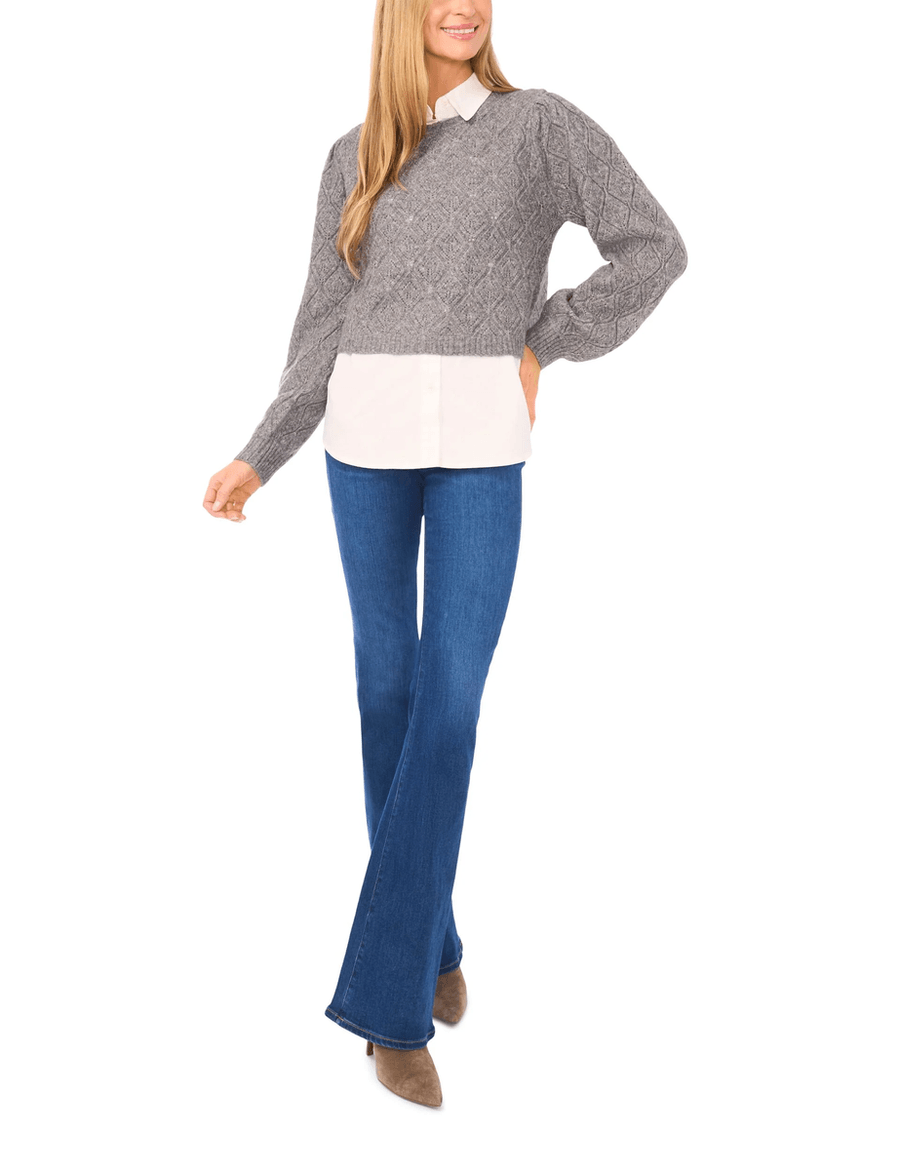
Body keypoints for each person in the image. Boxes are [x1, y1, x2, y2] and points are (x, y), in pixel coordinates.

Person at [202, 0, 687, 1108]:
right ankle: (435, 939)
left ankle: (387, 1003)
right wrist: (260, 454)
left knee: (451, 702)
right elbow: (321, 324)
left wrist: (545, 342)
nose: (462, 5)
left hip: (479, 445)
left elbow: (656, 247)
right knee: (387, 695)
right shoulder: (353, 154)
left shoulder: (537, 126)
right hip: (361, 447)